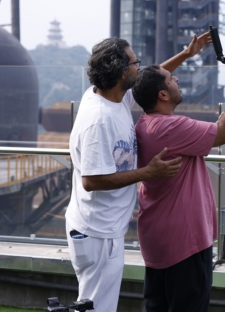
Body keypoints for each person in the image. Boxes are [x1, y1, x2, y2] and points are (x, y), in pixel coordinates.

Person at [65, 33, 209, 312]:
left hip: (106, 229)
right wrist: (147, 172)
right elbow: (91, 180)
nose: (139, 68)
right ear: (121, 73)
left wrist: (186, 54)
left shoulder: (113, 96)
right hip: (97, 233)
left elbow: (153, 82)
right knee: (97, 307)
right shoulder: (98, 120)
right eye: (135, 63)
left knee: (98, 304)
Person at [132, 57, 225, 312]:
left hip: (157, 240)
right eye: (170, 79)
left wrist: (187, 53)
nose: (176, 78)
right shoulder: (171, 127)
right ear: (163, 94)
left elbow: (148, 82)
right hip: (185, 242)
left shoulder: (144, 124)